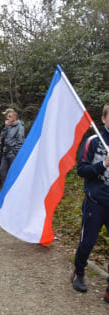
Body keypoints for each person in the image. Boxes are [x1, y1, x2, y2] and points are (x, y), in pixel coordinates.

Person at [71, 103, 109, 303]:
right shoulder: (94, 141)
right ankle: (78, 272)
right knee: (87, 242)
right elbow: (81, 170)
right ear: (104, 119)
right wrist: (104, 164)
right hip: (96, 201)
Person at [0, 109, 24, 183]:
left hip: (12, 153)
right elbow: (2, 137)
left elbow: (20, 141)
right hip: (5, 152)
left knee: (12, 172)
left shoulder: (20, 127)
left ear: (15, 117)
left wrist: (14, 152)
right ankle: (4, 188)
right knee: (2, 170)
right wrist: (6, 127)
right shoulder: (8, 126)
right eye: (7, 116)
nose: (7, 118)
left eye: (10, 116)